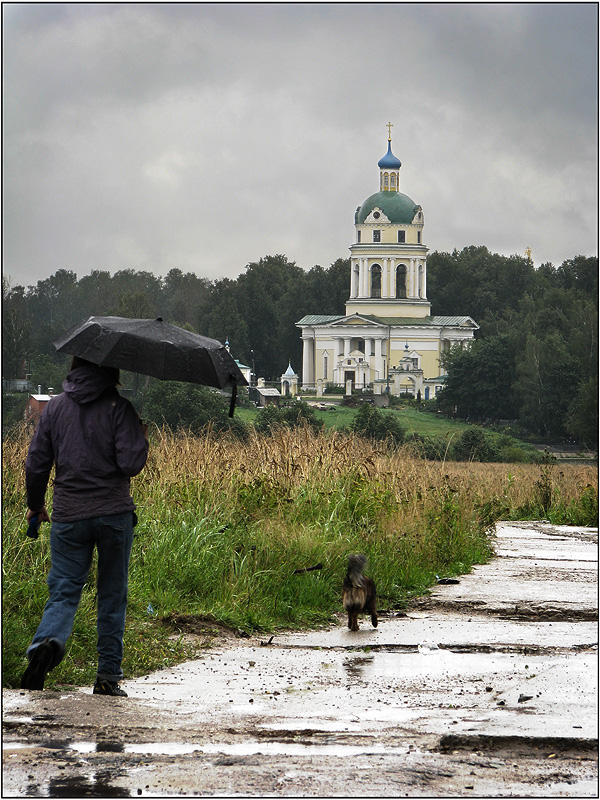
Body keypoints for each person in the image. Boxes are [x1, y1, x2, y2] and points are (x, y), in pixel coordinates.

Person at [22, 357, 149, 696]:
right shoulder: (119, 408)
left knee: (64, 589)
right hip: (113, 515)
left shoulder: (55, 409)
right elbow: (130, 463)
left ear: (76, 367)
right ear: (112, 370)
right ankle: (107, 677)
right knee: (111, 595)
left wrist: (36, 504)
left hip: (68, 516)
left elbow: (36, 464)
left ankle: (46, 645)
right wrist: (139, 434)